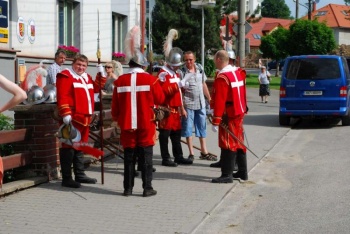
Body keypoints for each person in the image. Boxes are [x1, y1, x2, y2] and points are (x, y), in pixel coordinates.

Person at [111, 25, 165, 197]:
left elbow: (115, 107)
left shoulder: (120, 81)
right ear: (142, 64)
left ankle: (127, 189)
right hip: (146, 123)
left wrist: (117, 120)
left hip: (127, 124)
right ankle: (147, 188)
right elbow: (161, 99)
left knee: (128, 158)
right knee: (146, 158)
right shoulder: (151, 80)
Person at [56, 54, 99, 188]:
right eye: (78, 64)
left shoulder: (87, 77)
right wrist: (65, 112)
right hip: (72, 117)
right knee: (68, 147)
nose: (81, 68)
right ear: (73, 63)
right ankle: (67, 178)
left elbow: (96, 88)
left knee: (80, 146)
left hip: (85, 118)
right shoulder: (66, 75)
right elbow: (62, 95)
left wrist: (101, 75)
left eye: (84, 65)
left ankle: (80, 174)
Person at [210, 50, 248, 183]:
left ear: (219, 60)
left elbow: (220, 100)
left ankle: (227, 175)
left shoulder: (223, 77)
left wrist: (216, 120)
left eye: (215, 59)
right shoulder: (237, 73)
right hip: (239, 112)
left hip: (229, 114)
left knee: (228, 143)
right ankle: (243, 171)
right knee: (239, 142)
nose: (214, 61)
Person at [157, 29, 193, 167]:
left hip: (175, 109)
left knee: (176, 135)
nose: (178, 68)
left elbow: (178, 90)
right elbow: (164, 92)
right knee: (165, 135)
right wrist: (179, 85)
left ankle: (178, 156)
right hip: (166, 108)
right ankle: (165, 158)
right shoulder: (163, 73)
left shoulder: (175, 73)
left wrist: (183, 87)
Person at [180, 51, 214, 161]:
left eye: (190, 59)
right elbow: (179, 91)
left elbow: (203, 84)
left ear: (194, 59)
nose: (188, 62)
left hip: (201, 103)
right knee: (188, 128)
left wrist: (209, 98)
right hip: (188, 103)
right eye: (186, 60)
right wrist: (181, 107)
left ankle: (204, 151)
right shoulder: (182, 72)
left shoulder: (199, 68)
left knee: (202, 127)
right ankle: (191, 153)